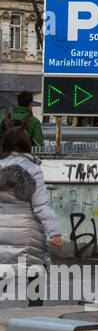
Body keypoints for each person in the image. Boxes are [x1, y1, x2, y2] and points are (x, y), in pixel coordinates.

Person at [0, 124, 61, 305]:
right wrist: (54, 232)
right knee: (35, 276)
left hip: (2, 231)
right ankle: (33, 318)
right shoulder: (33, 169)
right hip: (28, 233)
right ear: (26, 145)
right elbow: (40, 206)